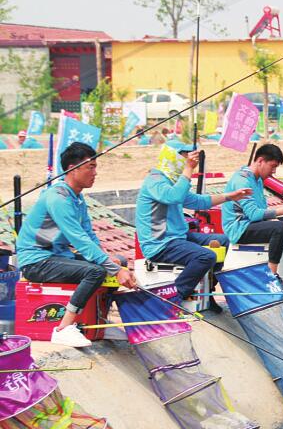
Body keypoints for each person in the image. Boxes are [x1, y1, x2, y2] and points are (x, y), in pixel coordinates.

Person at [17, 142, 136, 347]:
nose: (95, 173)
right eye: (91, 167)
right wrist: (113, 268)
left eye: (95, 167)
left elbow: (89, 234)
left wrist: (111, 261)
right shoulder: (58, 198)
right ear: (73, 169)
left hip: (58, 257)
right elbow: (79, 240)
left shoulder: (77, 198)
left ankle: (99, 322)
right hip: (36, 261)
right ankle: (63, 328)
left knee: (119, 261)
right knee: (96, 272)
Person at [136, 142, 251, 304]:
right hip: (160, 243)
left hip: (178, 238)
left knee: (224, 241)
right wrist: (189, 169)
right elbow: (173, 197)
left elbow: (198, 201)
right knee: (205, 256)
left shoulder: (172, 182)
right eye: (186, 156)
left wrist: (230, 196)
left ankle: (208, 290)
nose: (190, 161)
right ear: (173, 156)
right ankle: (174, 298)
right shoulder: (155, 180)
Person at [222, 144, 283, 275]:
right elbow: (254, 214)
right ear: (260, 161)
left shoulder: (258, 180)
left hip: (252, 223)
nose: (274, 171)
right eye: (273, 166)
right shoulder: (242, 181)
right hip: (239, 228)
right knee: (279, 228)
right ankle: (271, 275)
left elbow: (262, 210)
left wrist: (278, 220)